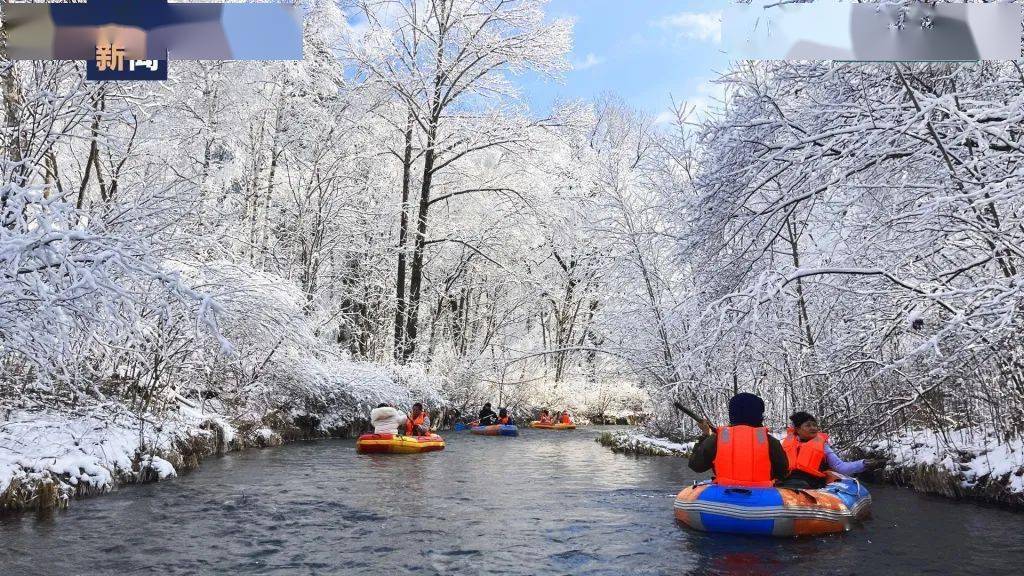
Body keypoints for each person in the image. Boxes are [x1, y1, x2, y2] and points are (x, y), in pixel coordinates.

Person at [688, 392, 789, 486]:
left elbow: (696, 465)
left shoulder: (717, 439)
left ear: (732, 414)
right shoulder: (769, 441)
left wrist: (705, 435)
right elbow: (783, 472)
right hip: (761, 496)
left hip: (723, 496)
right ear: (758, 415)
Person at [781, 411, 885, 488]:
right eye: (808, 425)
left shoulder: (823, 446)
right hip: (789, 482)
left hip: (812, 483)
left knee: (798, 484)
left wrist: (864, 463)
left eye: (814, 425)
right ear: (798, 429)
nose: (813, 428)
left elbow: (841, 467)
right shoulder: (787, 445)